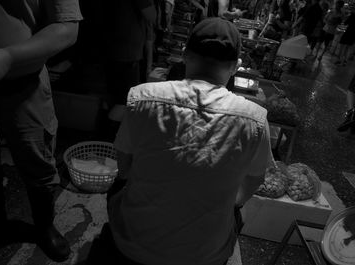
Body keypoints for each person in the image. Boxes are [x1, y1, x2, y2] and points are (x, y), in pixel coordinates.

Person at [103, 18, 273, 265]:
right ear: (236, 67)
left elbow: (125, 168)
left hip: (134, 246)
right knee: (234, 213)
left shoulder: (141, 97)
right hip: (205, 256)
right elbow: (253, 181)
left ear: (184, 54)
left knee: (118, 188)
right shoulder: (256, 119)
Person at [0, 0, 82, 264]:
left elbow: (67, 28)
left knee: (39, 161)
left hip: (26, 86)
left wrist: (10, 56)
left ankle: (45, 227)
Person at [103, 0, 156, 141]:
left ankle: (103, 139)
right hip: (127, 52)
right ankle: (108, 142)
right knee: (124, 102)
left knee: (113, 97)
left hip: (116, 47)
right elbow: (151, 15)